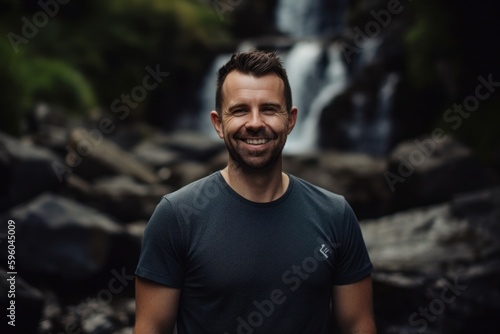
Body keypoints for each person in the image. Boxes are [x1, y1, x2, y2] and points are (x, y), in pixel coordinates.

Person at [134, 50, 376, 334]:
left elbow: (358, 325)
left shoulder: (335, 215)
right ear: (217, 124)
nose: (255, 123)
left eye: (269, 109)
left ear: (291, 119)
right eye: (239, 110)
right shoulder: (176, 217)